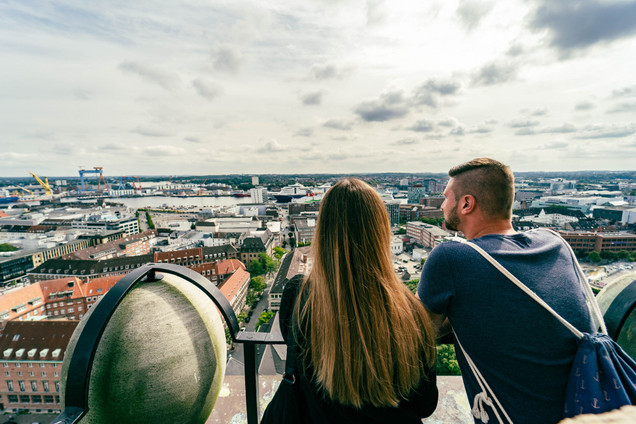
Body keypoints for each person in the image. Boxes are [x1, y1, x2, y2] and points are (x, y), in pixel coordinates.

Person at [417, 158, 594, 424]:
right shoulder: (554, 243)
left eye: (445, 198)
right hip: (586, 409)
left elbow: (415, 332)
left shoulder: (452, 257)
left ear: (466, 203)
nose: (441, 205)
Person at [278, 178, 438, 423]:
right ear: (381, 232)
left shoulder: (298, 297)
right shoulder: (411, 311)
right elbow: (425, 405)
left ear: (323, 232)